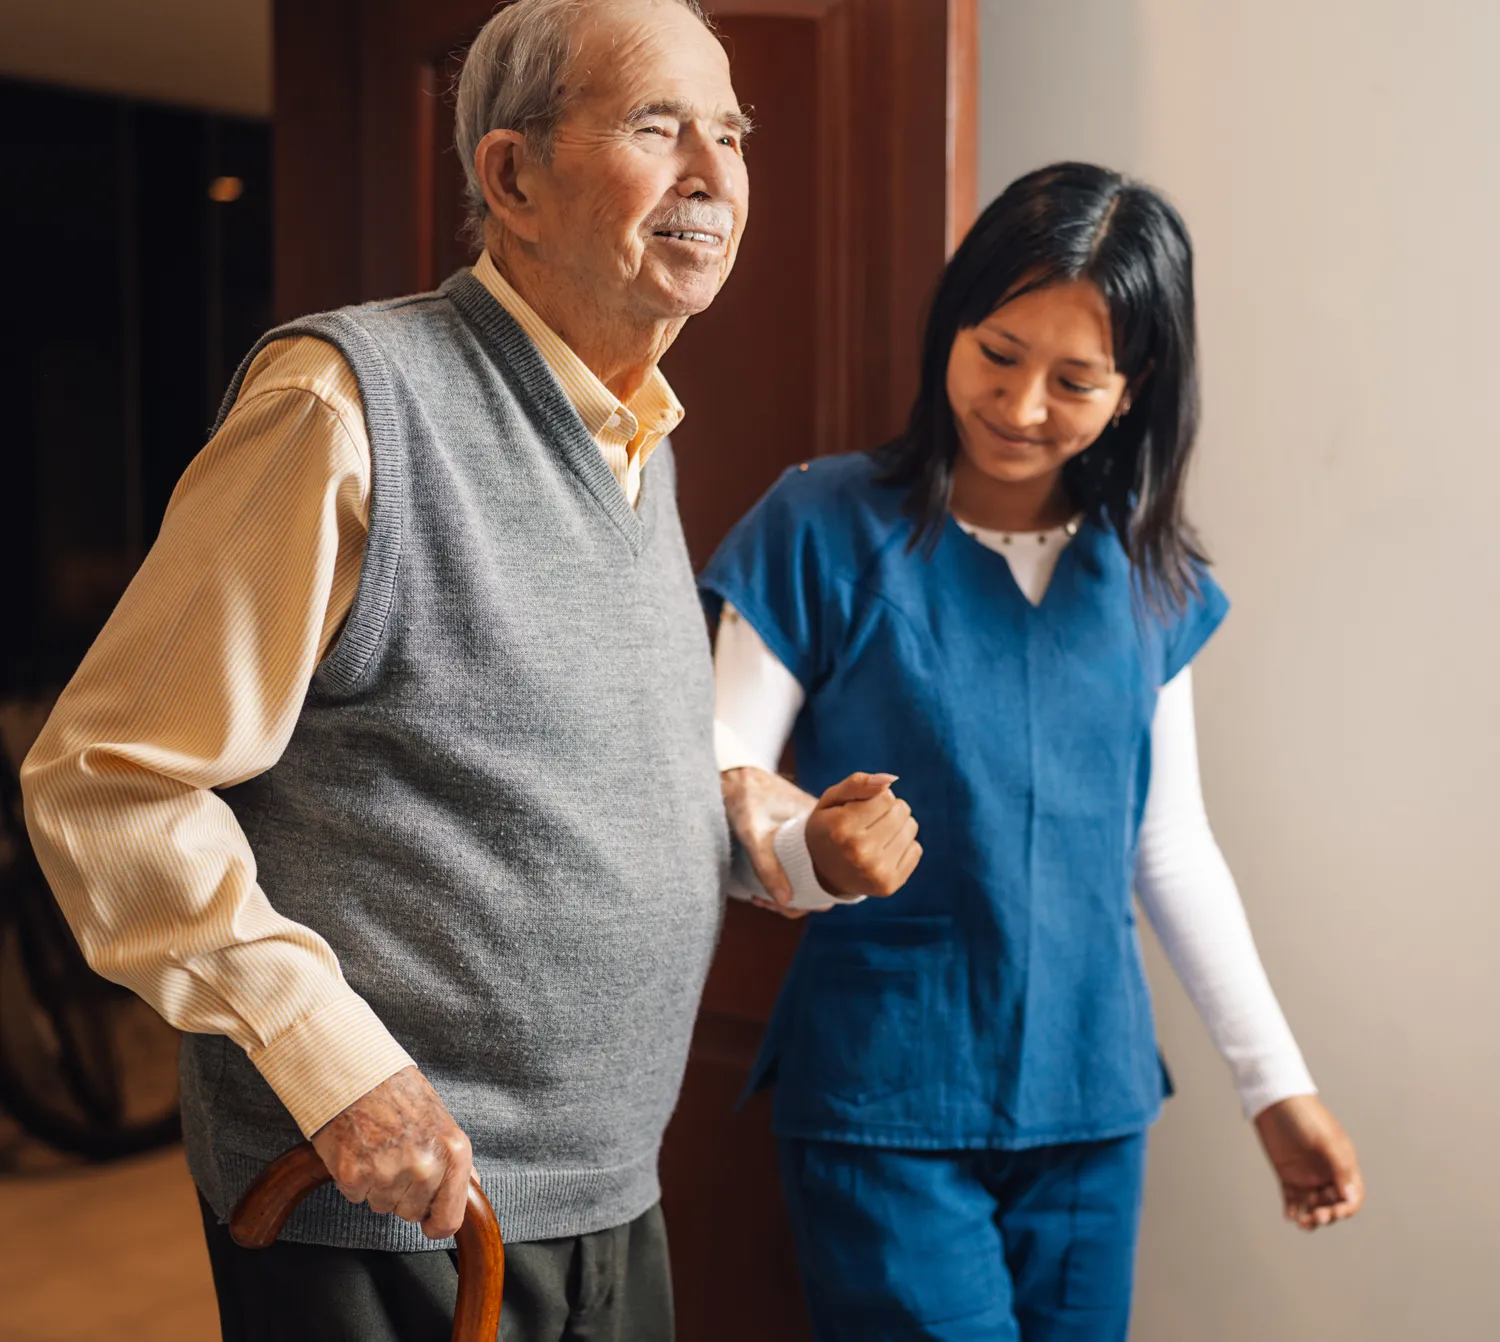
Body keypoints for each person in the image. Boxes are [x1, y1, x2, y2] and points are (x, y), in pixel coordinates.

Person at [18, 1, 801, 1337]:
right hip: (382, 1196)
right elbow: (107, 784)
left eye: (729, 132)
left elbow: (556, 767)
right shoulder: (344, 404)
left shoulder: (640, 436)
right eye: (660, 125)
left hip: (606, 1185)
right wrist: (337, 1072)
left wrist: (754, 822)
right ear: (511, 177)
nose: (714, 171)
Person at [702, 162, 1366, 1342]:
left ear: (1133, 387)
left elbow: (1168, 845)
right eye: (997, 354)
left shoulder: (1151, 578)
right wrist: (816, 855)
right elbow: (715, 802)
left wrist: (1276, 1084)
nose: (1019, 406)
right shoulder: (820, 527)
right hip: (881, 1098)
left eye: (1074, 379)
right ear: (951, 327)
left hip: (1090, 1102)